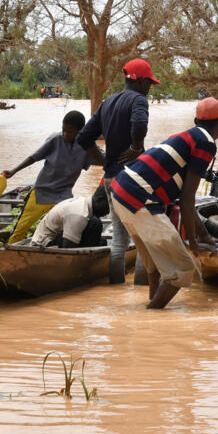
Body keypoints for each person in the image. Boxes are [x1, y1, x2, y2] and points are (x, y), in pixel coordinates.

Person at [110, 98, 218, 309]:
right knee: (182, 269)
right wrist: (193, 242)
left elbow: (183, 198)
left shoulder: (183, 136)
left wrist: (203, 234)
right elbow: (188, 197)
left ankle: (150, 318)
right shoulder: (206, 142)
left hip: (121, 192)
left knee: (156, 264)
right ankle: (151, 317)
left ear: (196, 121)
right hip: (141, 198)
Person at [77, 58, 155, 283]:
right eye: (148, 83)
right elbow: (140, 124)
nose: (149, 88)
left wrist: (104, 160)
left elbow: (84, 137)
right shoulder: (139, 100)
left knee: (119, 238)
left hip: (112, 178)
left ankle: (115, 288)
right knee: (143, 238)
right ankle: (142, 291)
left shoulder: (108, 102)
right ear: (139, 81)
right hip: (135, 176)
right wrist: (136, 148)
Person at [3, 111, 101, 244]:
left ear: (80, 131)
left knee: (67, 228)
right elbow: (34, 157)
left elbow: (104, 159)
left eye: (70, 132)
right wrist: (14, 171)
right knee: (21, 229)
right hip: (41, 192)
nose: (66, 134)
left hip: (63, 195)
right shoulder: (56, 139)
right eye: (64, 130)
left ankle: (54, 250)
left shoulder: (87, 145)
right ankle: (10, 251)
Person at [31, 185, 108, 248]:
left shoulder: (83, 202)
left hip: (54, 238)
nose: (108, 212)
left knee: (101, 241)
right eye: (109, 207)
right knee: (95, 224)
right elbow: (68, 248)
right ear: (99, 200)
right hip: (43, 245)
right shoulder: (79, 214)